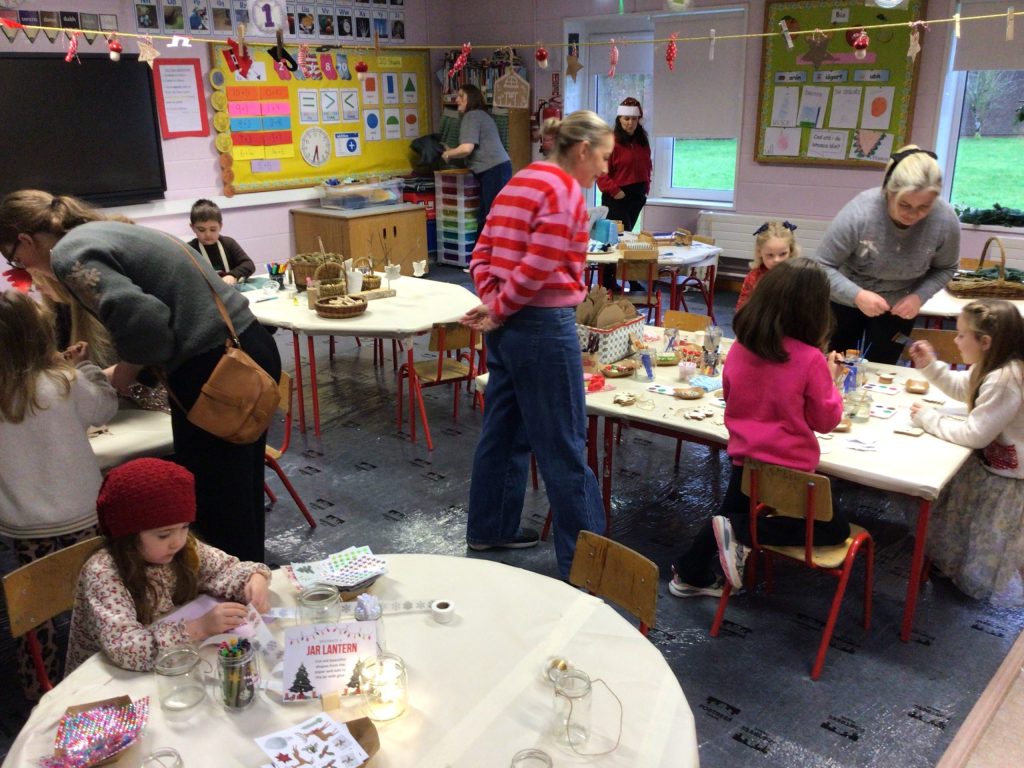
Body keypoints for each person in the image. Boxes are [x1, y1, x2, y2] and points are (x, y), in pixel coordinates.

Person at [0, 190, 281, 563]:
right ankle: (248, 575)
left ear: (25, 240)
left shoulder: (69, 255)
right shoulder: (103, 232)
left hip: (215, 367)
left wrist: (125, 370)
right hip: (244, 349)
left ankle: (231, 585)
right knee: (240, 488)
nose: (23, 268)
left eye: (16, 259)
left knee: (218, 498)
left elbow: (147, 324)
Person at [460, 111, 612, 578]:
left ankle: (490, 527)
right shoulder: (565, 192)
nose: (605, 169)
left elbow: (481, 253)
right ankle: (587, 568)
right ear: (582, 150)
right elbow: (539, 266)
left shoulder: (520, 180)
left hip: (509, 331)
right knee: (565, 446)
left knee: (503, 433)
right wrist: (502, 307)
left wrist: (495, 304)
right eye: (604, 157)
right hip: (544, 328)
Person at [670, 259, 847, 597]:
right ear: (814, 311)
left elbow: (730, 394)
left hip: (746, 460)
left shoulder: (740, 347)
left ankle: (691, 571)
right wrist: (832, 381)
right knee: (834, 528)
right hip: (791, 470)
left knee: (730, 512)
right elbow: (826, 421)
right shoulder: (810, 358)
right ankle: (741, 532)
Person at [0, 289, 118, 696]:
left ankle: (40, 688)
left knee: (34, 611)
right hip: (84, 514)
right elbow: (104, 408)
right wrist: (84, 367)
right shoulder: (64, 382)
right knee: (103, 591)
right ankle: (115, 663)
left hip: (23, 526)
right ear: (40, 335)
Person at [66, 458, 272, 674]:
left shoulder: (184, 548)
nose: (178, 541)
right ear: (127, 535)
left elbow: (224, 570)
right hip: (106, 679)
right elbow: (125, 648)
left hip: (171, 665)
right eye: (163, 535)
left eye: (184, 527)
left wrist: (252, 579)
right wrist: (198, 628)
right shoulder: (104, 573)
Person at [908, 300, 1024, 606]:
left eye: (961, 335)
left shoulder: (1005, 380)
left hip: (1007, 477)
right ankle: (954, 573)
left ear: (985, 342)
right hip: (993, 465)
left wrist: (929, 419)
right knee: (963, 521)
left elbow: (975, 434)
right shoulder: (992, 366)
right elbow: (965, 388)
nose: (956, 341)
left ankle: (967, 591)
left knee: (988, 539)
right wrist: (930, 365)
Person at [813, 145, 961, 364]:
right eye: (904, 204)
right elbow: (821, 266)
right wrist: (857, 295)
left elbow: (946, 267)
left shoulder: (945, 220)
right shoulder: (860, 213)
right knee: (837, 364)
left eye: (924, 207)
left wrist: (919, 297)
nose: (913, 214)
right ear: (888, 192)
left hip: (899, 307)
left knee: (883, 366)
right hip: (844, 300)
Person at [596, 97, 652, 291]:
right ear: (619, 119)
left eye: (634, 119)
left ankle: (622, 279)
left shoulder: (641, 141)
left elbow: (647, 165)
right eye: (626, 119)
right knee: (621, 239)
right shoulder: (610, 142)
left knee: (624, 238)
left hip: (637, 195)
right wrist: (615, 191)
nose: (630, 123)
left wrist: (646, 188)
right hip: (617, 197)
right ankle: (619, 281)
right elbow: (600, 172)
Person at [441, 84, 513, 232]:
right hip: (498, 168)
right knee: (487, 216)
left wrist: (447, 154)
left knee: (490, 217)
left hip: (493, 170)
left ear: (471, 98)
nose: (457, 100)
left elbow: (466, 148)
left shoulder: (472, 116)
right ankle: (481, 246)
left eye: (461, 96)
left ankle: (486, 247)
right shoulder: (481, 115)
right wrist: (452, 151)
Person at [187, 199, 256, 286]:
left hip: (232, 290)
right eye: (201, 230)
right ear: (192, 227)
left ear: (220, 226)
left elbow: (249, 264)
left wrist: (232, 275)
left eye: (213, 229)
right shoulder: (188, 250)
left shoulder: (229, 243)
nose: (208, 234)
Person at [735, 220, 799, 311]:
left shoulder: (797, 276)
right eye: (770, 255)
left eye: (783, 254)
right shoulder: (753, 277)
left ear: (791, 251)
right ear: (759, 252)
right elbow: (742, 305)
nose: (777, 260)